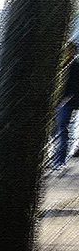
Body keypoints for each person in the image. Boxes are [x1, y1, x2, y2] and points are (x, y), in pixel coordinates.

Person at [53, 41, 79, 169]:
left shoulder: (74, 66)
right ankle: (57, 159)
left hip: (67, 103)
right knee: (60, 130)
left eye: (69, 50)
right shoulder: (64, 65)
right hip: (61, 102)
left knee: (63, 130)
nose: (67, 53)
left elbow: (74, 87)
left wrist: (65, 100)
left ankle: (60, 161)